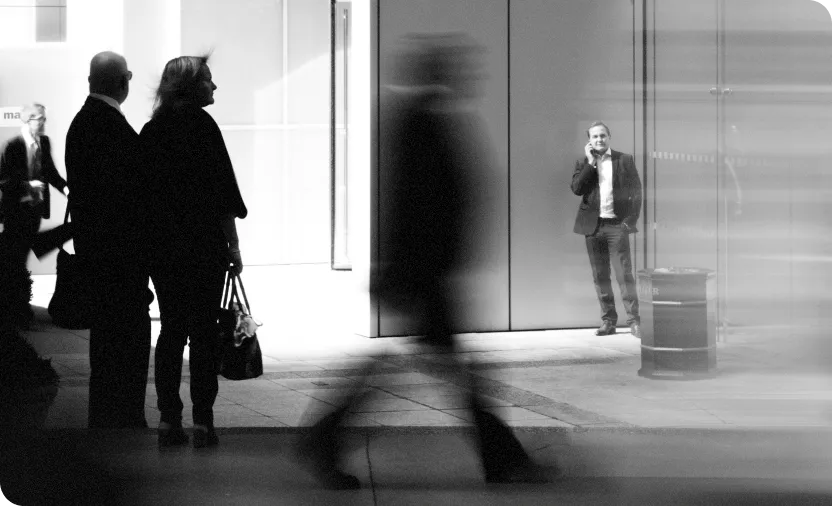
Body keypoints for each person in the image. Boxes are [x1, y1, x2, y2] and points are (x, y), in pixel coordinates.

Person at [296, 34, 553, 490]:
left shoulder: (421, 119)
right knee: (455, 372)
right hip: (424, 273)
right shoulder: (421, 122)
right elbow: (415, 204)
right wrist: (408, 266)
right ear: (438, 74)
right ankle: (499, 458)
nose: (468, 78)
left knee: (444, 369)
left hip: (423, 271)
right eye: (458, 71)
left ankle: (325, 436)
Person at [139, 55, 247, 449]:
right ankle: (203, 422)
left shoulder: (153, 130)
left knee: (171, 331)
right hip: (203, 247)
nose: (214, 87)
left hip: (164, 250)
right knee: (203, 334)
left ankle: (169, 419)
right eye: (208, 81)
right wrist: (232, 245)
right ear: (191, 86)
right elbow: (222, 193)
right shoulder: (204, 128)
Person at [65, 51, 154, 428]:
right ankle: (124, 416)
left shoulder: (82, 122)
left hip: (96, 253)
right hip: (120, 257)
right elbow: (127, 194)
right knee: (127, 340)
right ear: (123, 82)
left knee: (105, 344)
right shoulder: (108, 125)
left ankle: (105, 414)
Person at [570, 121, 643, 338]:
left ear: (609, 137)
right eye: (595, 137)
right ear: (589, 141)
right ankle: (608, 321)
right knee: (600, 276)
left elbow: (637, 192)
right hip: (593, 228)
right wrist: (591, 163)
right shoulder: (583, 162)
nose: (599, 140)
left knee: (624, 275)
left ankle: (634, 321)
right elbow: (576, 189)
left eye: (603, 136)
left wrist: (630, 221)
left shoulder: (625, 160)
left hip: (616, 226)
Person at [0, 103, 68, 325]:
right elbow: (4, 180)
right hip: (15, 211)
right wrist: (28, 186)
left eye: (44, 119)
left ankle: (19, 308)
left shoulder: (44, 142)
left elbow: (50, 170)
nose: (43, 123)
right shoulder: (13, 146)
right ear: (28, 120)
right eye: (40, 118)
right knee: (17, 259)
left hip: (35, 211)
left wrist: (66, 189)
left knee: (22, 256)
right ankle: (18, 310)